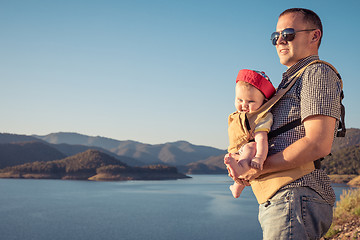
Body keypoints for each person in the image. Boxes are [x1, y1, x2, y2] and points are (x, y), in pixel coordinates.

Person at [227, 8, 342, 239]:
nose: (279, 40)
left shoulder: (316, 73)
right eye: (275, 36)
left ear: (314, 36)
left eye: (288, 34)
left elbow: (317, 144)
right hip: (285, 197)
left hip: (295, 194)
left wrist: (255, 168)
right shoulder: (291, 81)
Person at [224, 69, 275, 198]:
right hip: (237, 151)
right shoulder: (237, 116)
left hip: (251, 150)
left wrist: (259, 157)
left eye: (251, 102)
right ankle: (236, 187)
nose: (244, 105)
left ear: (263, 102)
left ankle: (239, 170)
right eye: (239, 100)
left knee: (251, 147)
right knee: (243, 152)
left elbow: (261, 139)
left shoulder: (261, 117)